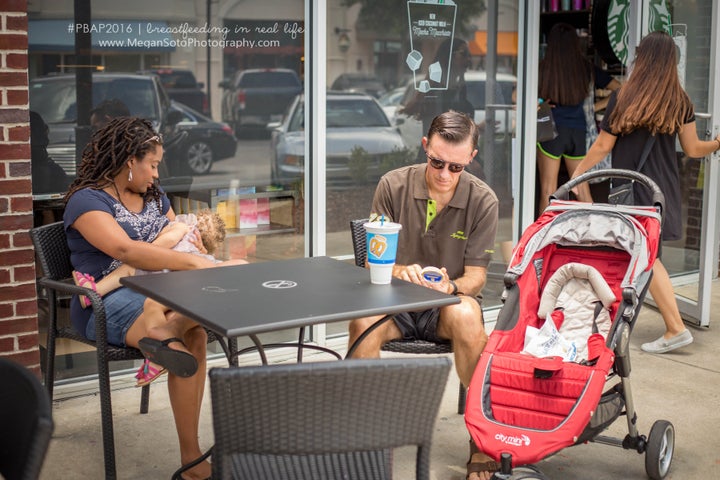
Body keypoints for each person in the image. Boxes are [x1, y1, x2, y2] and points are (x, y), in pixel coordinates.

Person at [346, 110, 499, 480]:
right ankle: (362, 439)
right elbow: (371, 262)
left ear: (471, 159)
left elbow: (477, 278)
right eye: (437, 162)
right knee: (361, 321)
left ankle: (482, 442)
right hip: (393, 299)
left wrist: (451, 286)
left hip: (446, 303)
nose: (445, 174)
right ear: (425, 146)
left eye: (456, 167)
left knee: (466, 314)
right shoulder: (392, 185)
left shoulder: (484, 201)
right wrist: (401, 271)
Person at [63, 116, 218, 480]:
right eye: (152, 164)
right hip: (106, 300)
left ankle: (161, 339)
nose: (156, 174)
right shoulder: (87, 201)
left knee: (190, 330)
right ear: (130, 160)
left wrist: (194, 245)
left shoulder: (154, 196)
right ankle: (193, 461)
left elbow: (175, 240)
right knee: (192, 331)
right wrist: (194, 264)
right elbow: (124, 250)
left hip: (160, 291)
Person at [572, 31, 720, 354]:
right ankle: (626, 320)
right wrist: (718, 143)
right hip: (663, 188)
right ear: (672, 62)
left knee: (646, 257)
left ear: (641, 59)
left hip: (632, 189)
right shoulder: (679, 101)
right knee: (643, 256)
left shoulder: (623, 97)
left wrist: (578, 171)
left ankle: (675, 327)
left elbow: (602, 146)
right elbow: (694, 149)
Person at [70, 208, 243, 387]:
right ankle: (158, 351)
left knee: (132, 271)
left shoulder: (181, 227)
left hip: (174, 278)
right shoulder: (188, 235)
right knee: (238, 269)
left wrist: (165, 246)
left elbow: (160, 247)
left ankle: (96, 291)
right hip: (181, 281)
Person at [536, 22, 621, 215]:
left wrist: (540, 102)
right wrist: (594, 106)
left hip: (551, 133)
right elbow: (620, 89)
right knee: (582, 189)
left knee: (548, 190)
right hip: (579, 133)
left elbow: (517, 96)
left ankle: (541, 242)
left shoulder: (542, 69)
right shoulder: (586, 68)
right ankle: (593, 235)